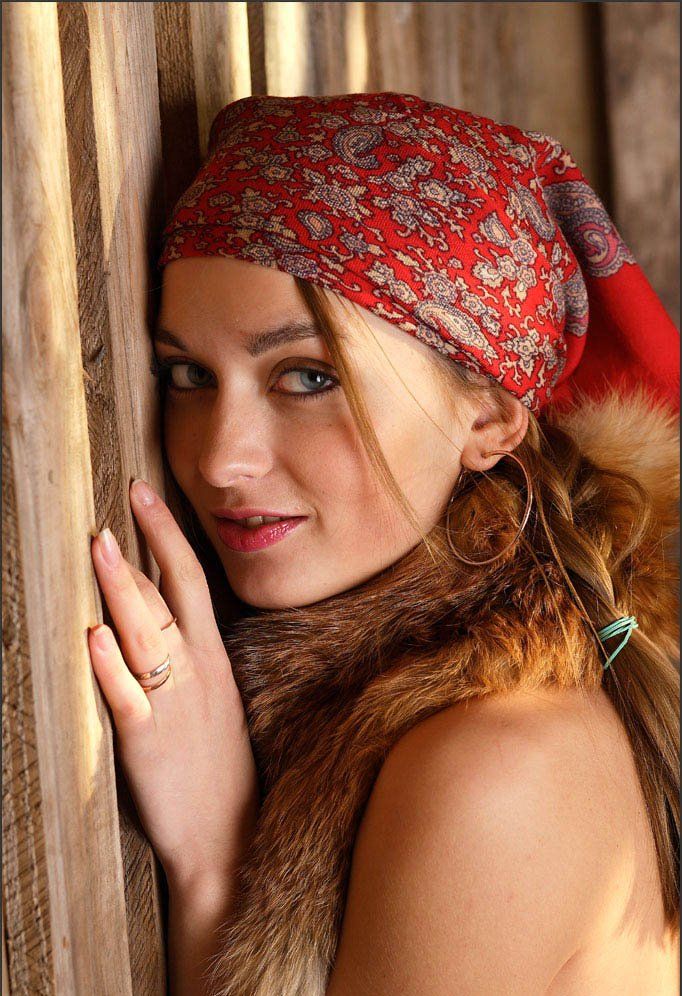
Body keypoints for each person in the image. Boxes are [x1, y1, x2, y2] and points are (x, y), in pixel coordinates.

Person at [87, 92, 680, 995]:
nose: (220, 459)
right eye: (187, 375)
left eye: (308, 376)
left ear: (487, 418)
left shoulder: (497, 768)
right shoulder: (439, 699)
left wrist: (214, 855)